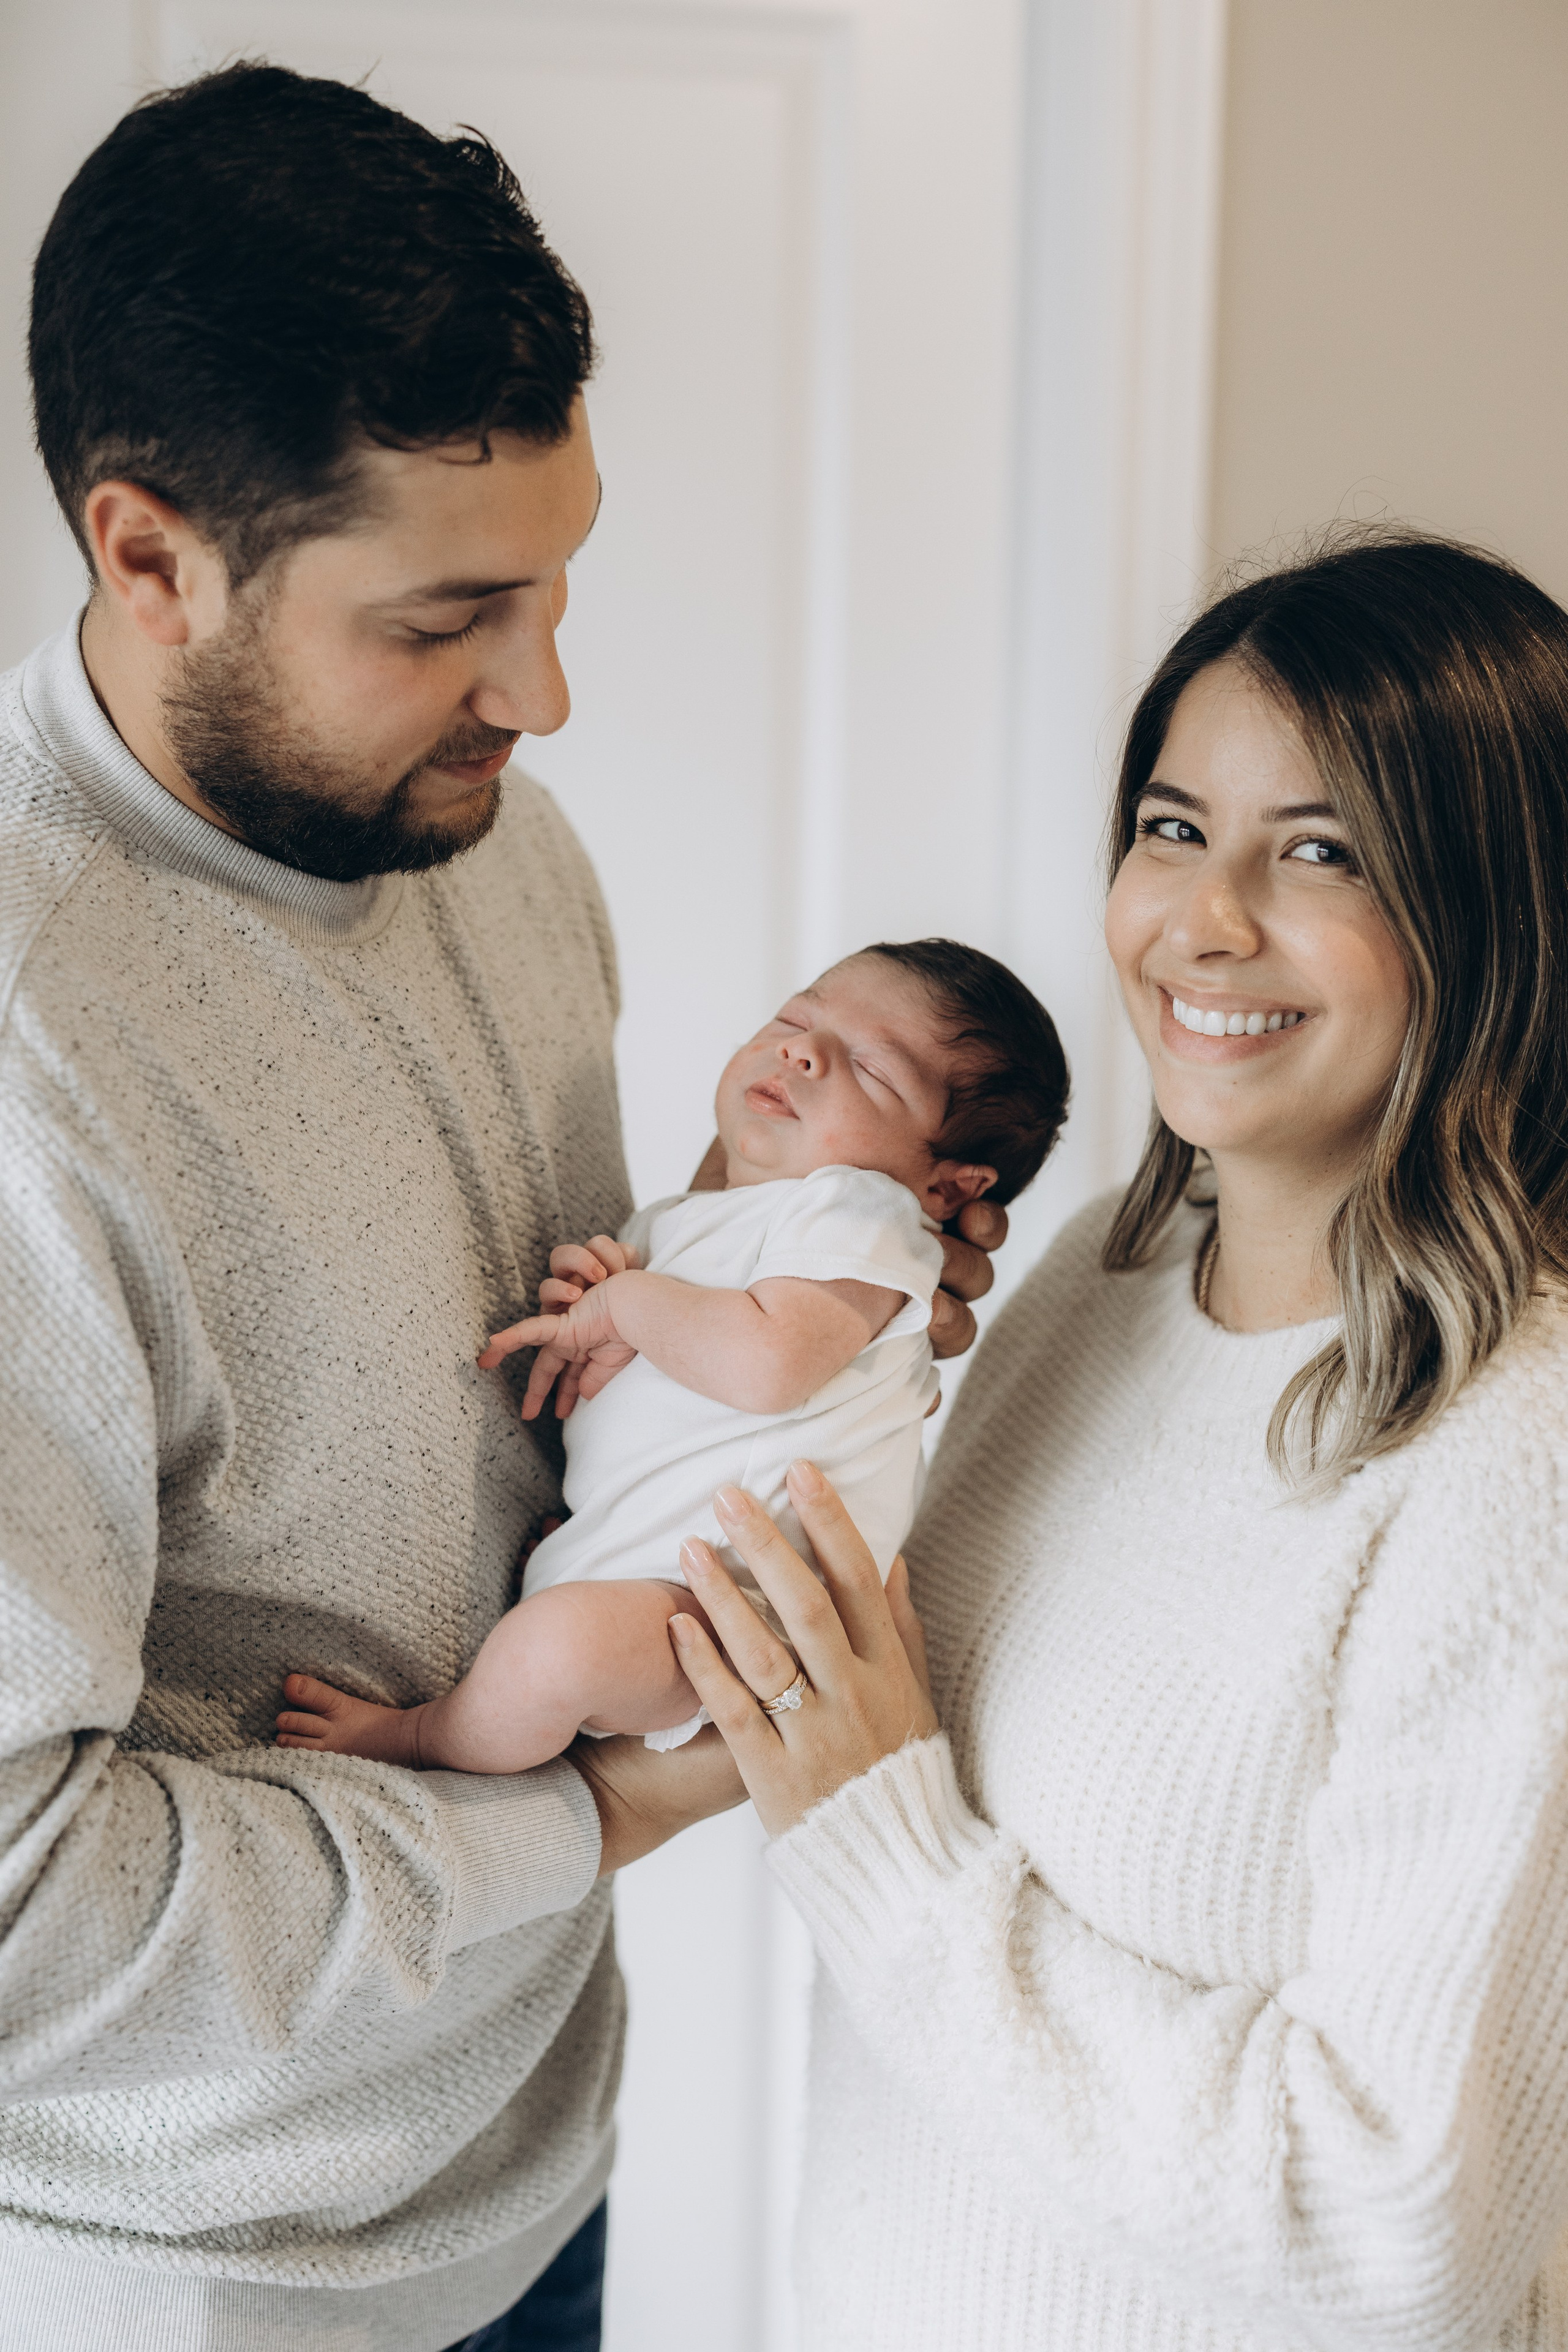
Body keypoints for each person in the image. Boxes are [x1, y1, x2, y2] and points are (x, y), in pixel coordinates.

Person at [0, 62, 1001, 2352]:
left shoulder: (486, 838)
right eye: (450, 616)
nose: (541, 693)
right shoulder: (27, 1052)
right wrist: (596, 1821)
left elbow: (497, 1376)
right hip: (208, 2280)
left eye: (556, 586)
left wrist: (801, 1274)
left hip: (536, 2154)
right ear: (151, 558)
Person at [666, 533, 1568, 2351]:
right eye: (1172, 827)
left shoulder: (1517, 1457)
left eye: (1320, 851)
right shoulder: (1101, 1274)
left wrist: (886, 1849)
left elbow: (1399, 2229)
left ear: (1497, 908)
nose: (1203, 920)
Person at [273, 941, 1067, 1770]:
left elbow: (764, 1364)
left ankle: (424, 1737)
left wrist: (624, 1304)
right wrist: (598, 1293)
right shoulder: (681, 1220)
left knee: (553, 1653)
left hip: (739, 1612)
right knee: (557, 1639)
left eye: (872, 1069)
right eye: (794, 1018)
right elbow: (671, 1365)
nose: (801, 1051)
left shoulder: (863, 1211)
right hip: (658, 1570)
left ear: (947, 1187)